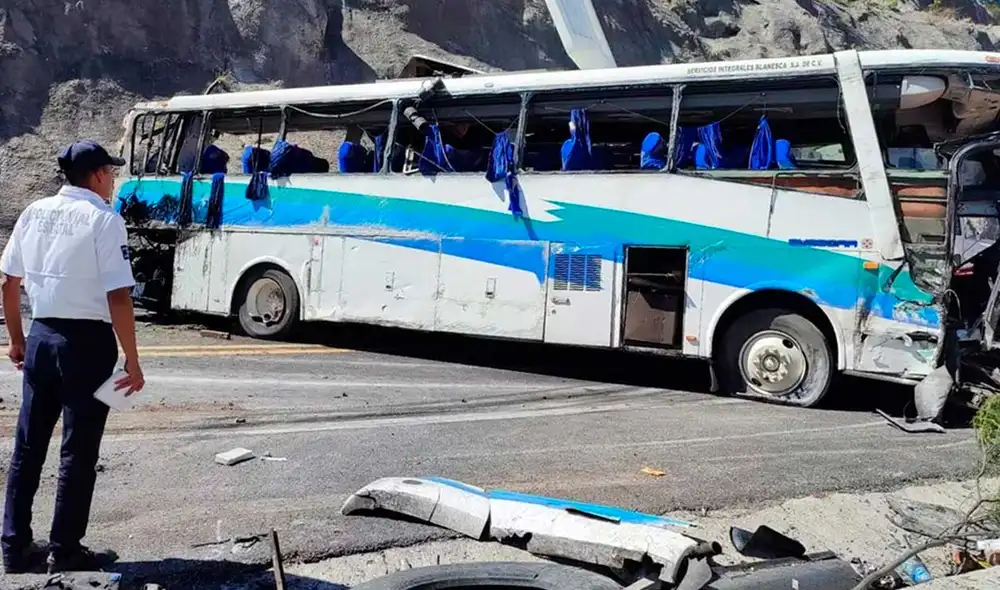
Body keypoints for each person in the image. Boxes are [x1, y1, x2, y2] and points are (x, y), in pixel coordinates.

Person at [0, 140, 146, 574]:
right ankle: (64, 550)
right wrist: (132, 360)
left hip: (43, 334)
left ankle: (12, 545)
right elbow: (118, 295)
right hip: (87, 342)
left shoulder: (34, 211)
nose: (114, 180)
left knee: (28, 447)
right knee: (77, 451)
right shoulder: (104, 219)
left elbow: (8, 281)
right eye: (111, 172)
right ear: (98, 175)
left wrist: (17, 339)